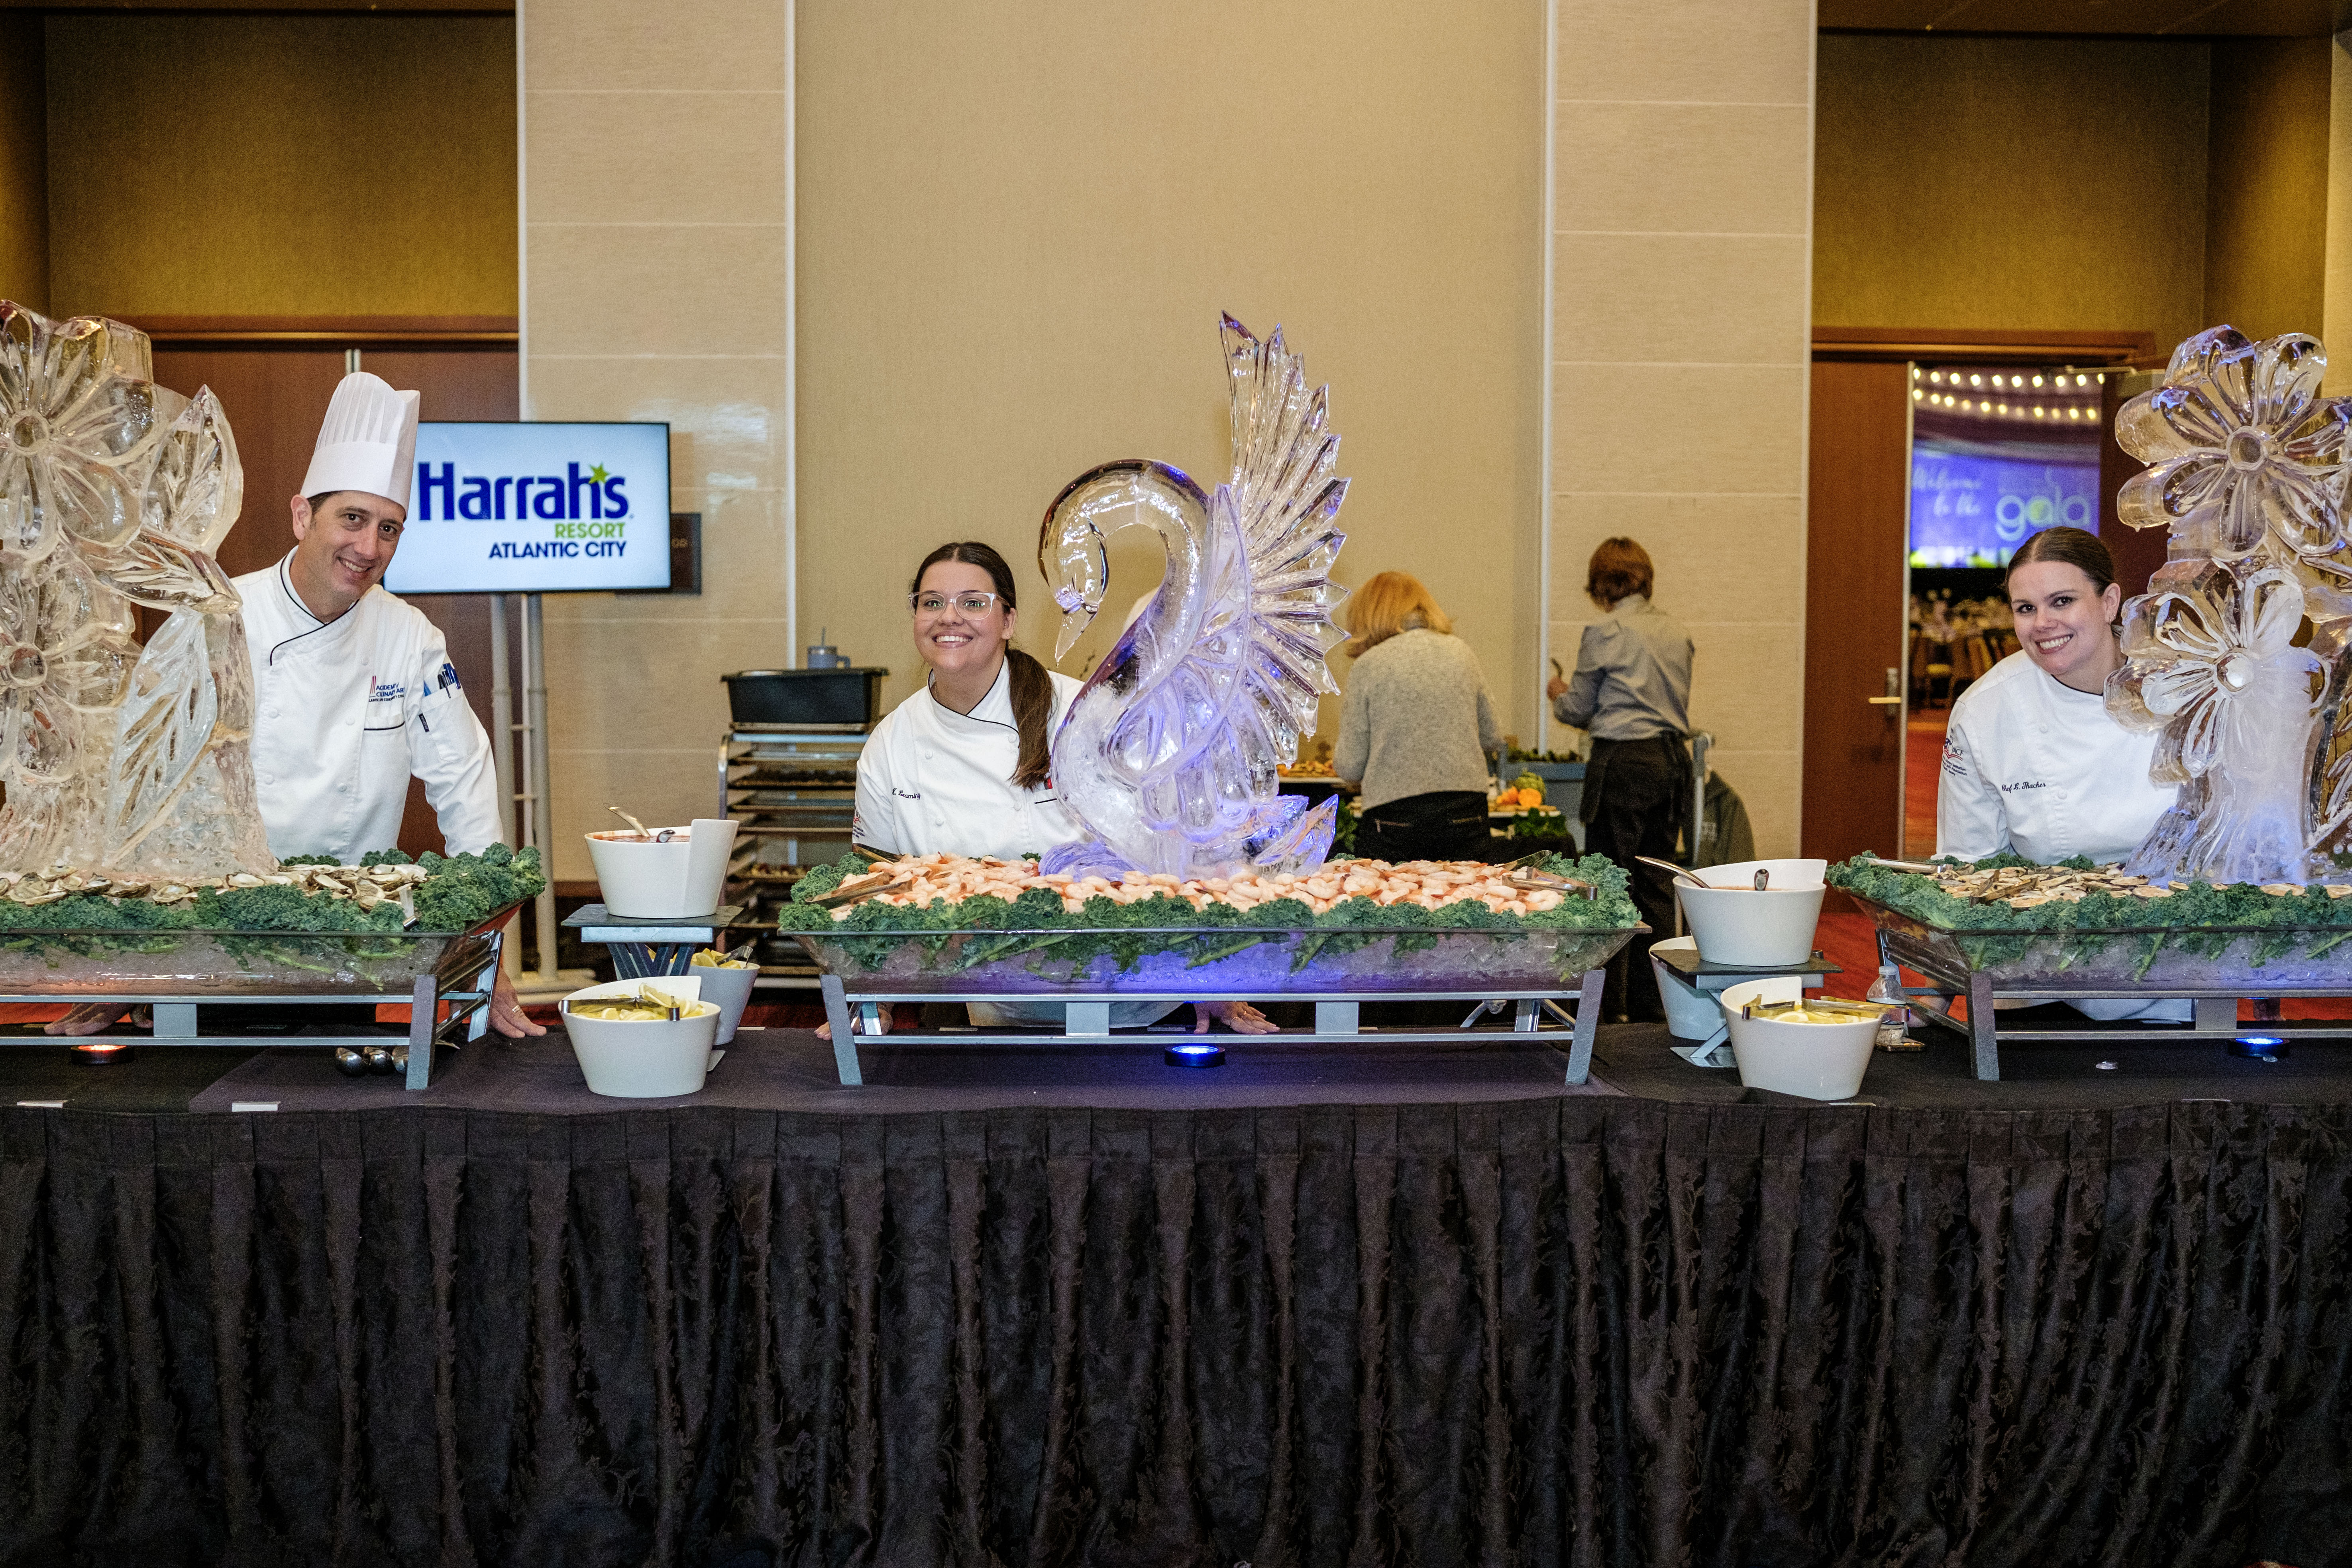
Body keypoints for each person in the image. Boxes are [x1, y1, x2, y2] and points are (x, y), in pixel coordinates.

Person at [50, 372, 542, 1040]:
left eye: (390, 528)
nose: (369, 549)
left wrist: (488, 954)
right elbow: (136, 787)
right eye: (353, 519)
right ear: (302, 516)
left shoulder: (409, 638)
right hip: (209, 939)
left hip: (343, 945)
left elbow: (467, 786)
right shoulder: (215, 618)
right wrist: (124, 963)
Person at [845, 540, 1273, 1036]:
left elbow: (1182, 843)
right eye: (932, 602)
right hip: (987, 1004)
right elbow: (874, 887)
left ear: (1008, 620)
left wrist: (1213, 972)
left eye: (973, 602)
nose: (950, 617)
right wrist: (870, 997)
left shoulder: (1084, 715)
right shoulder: (891, 743)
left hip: (1137, 997)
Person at [1937, 526, 2184, 1023]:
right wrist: (1936, 989)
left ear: (2110, 601)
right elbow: (1968, 869)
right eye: (2025, 608)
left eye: (2062, 601)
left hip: (2176, 975)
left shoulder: (2185, 689)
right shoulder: (1986, 711)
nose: (2042, 623)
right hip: (2033, 983)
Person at [1546, 537, 1694, 1022]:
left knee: (1609, 883)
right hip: (1671, 761)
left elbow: (1579, 709)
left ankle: (1608, 1009)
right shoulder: (1676, 631)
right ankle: (1658, 1008)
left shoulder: (1603, 630)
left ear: (1600, 583)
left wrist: (1557, 692)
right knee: (1656, 881)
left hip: (1621, 763)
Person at [1332, 572, 1502, 863]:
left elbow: (1350, 765)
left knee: (1392, 902)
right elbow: (1493, 736)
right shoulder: (1461, 653)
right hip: (1466, 811)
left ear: (1367, 616)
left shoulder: (1369, 665)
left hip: (1395, 818)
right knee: (1465, 899)